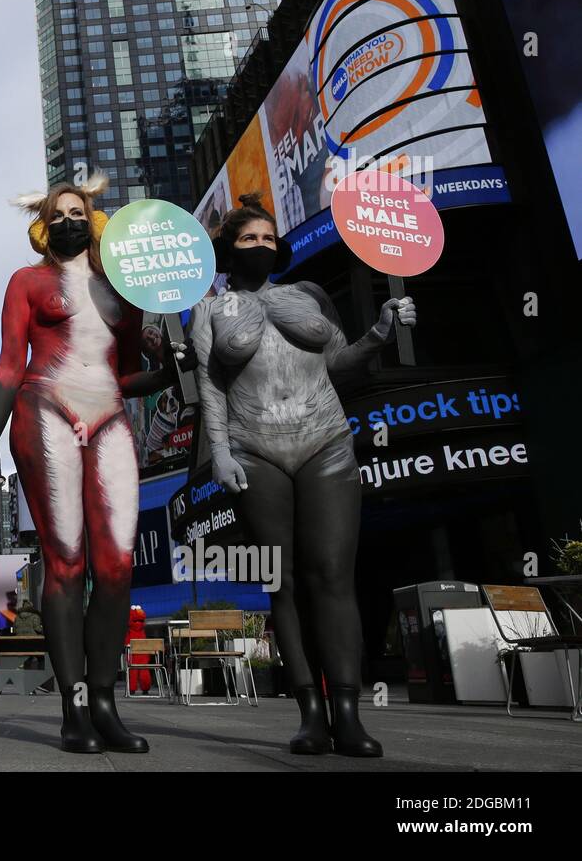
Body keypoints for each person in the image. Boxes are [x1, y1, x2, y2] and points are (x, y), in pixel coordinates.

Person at [189, 192, 416, 757]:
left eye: (269, 238)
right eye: (249, 240)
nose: (262, 247)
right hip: (254, 448)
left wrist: (380, 333)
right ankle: (309, 712)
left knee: (333, 575)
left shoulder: (309, 295)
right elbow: (211, 388)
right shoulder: (209, 309)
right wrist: (219, 454)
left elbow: (339, 362)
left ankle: (347, 711)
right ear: (228, 249)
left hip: (326, 442)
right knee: (282, 583)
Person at [0, 175, 195, 754]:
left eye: (80, 211)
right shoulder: (26, 281)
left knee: (118, 565)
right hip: (44, 404)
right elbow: (7, 363)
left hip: (110, 414)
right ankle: (74, 706)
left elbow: (128, 377)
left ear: (94, 221)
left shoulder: (123, 293)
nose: (70, 219)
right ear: (44, 226)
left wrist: (172, 368)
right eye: (60, 212)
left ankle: (105, 700)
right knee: (66, 560)